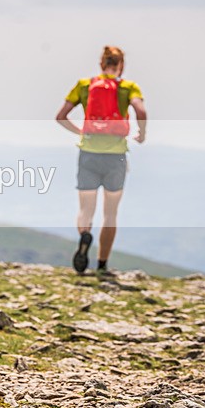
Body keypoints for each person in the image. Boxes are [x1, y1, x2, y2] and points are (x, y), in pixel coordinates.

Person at [56, 46, 147, 275]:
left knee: (86, 210)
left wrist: (80, 131)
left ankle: (85, 233)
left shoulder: (85, 85)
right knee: (110, 213)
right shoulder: (128, 87)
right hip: (115, 157)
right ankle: (103, 264)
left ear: (101, 64)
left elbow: (60, 116)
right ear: (121, 66)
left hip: (88, 154)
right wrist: (142, 133)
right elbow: (141, 111)